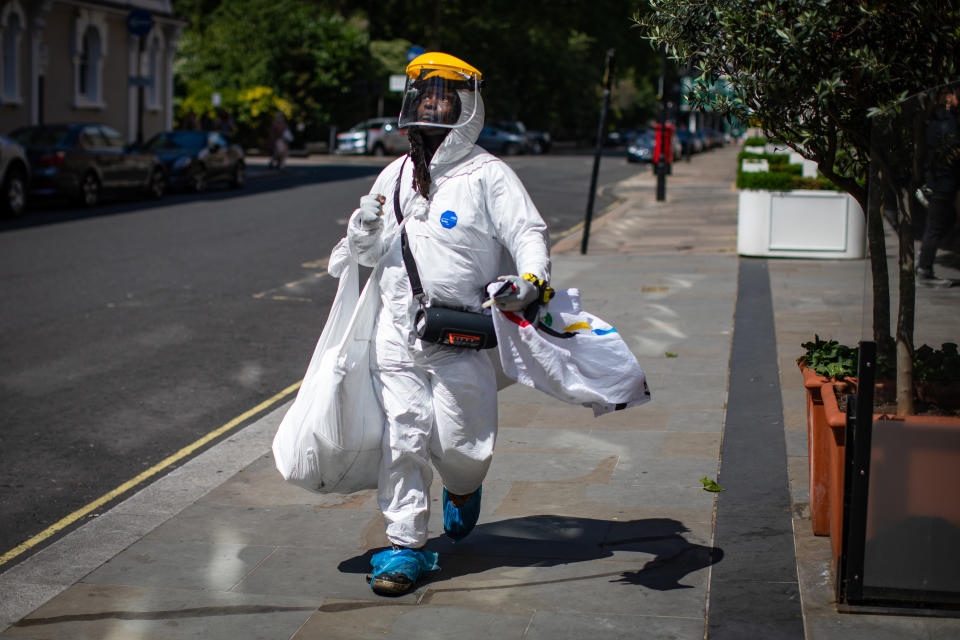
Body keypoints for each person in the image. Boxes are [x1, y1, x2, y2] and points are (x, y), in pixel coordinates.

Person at [342, 52, 551, 596]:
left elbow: (528, 232)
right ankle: (404, 547)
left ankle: (463, 487)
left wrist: (528, 280)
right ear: (413, 103)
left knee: (461, 447)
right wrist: (362, 229)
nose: (433, 104)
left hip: (462, 336)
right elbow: (367, 253)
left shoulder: (489, 174)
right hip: (398, 333)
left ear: (465, 107)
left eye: (444, 95)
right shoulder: (396, 174)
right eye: (426, 94)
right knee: (404, 437)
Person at [917, 86, 960, 287]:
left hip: (940, 180)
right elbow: (951, 151)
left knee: (947, 219)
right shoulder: (946, 122)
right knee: (935, 226)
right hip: (943, 181)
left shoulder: (938, 119)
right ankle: (924, 267)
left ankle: (925, 255)